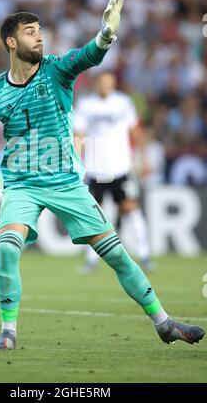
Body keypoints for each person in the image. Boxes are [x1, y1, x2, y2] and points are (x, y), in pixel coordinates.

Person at [0, 0, 205, 350]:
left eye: (40, 30)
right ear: (11, 42)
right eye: (29, 32)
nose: (39, 36)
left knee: (117, 254)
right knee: (8, 249)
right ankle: (8, 333)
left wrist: (106, 34)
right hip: (21, 185)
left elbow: (89, 55)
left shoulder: (57, 70)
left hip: (66, 183)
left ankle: (165, 324)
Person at [74, 71, 154, 273]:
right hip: (95, 168)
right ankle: (91, 260)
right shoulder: (86, 105)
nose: (105, 85)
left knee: (130, 208)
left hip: (120, 167)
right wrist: (75, 163)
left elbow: (135, 130)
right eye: (101, 81)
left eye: (108, 81)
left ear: (114, 83)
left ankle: (145, 255)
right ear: (96, 83)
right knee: (94, 215)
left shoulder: (123, 102)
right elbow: (79, 135)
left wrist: (144, 158)